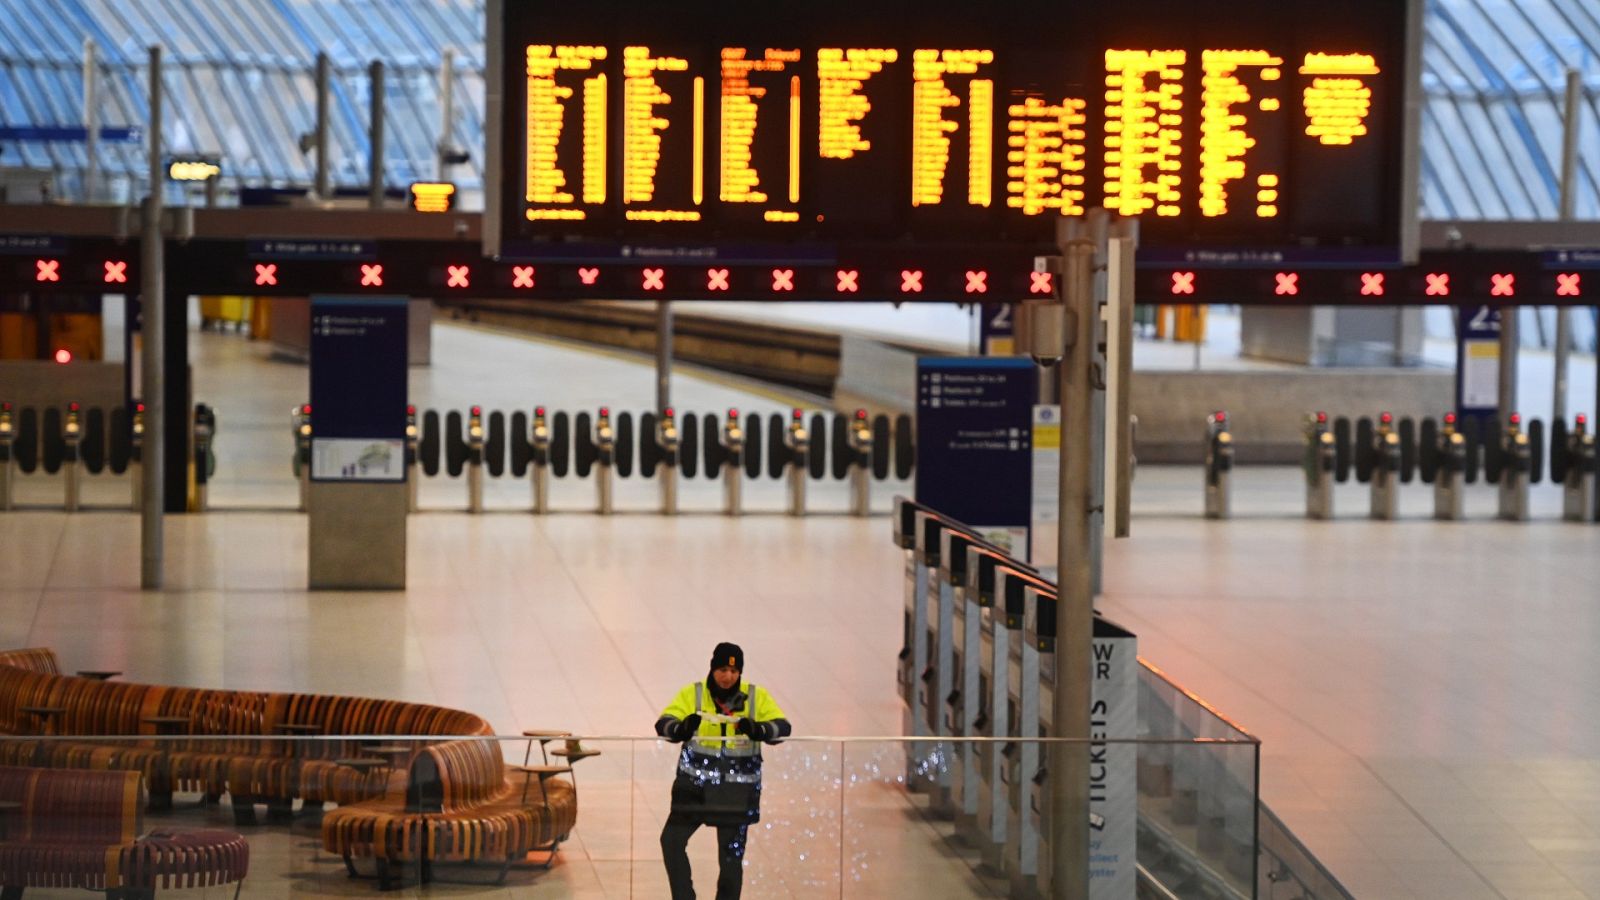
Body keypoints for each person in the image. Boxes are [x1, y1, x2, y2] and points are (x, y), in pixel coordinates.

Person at [654, 641, 791, 900]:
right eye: (722, 670)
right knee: (671, 842)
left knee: (730, 862)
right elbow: (663, 724)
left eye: (734, 671)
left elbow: (782, 728)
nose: (728, 676)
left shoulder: (754, 697)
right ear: (712, 669)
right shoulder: (693, 694)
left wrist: (759, 730)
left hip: (735, 794)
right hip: (693, 790)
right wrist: (681, 728)